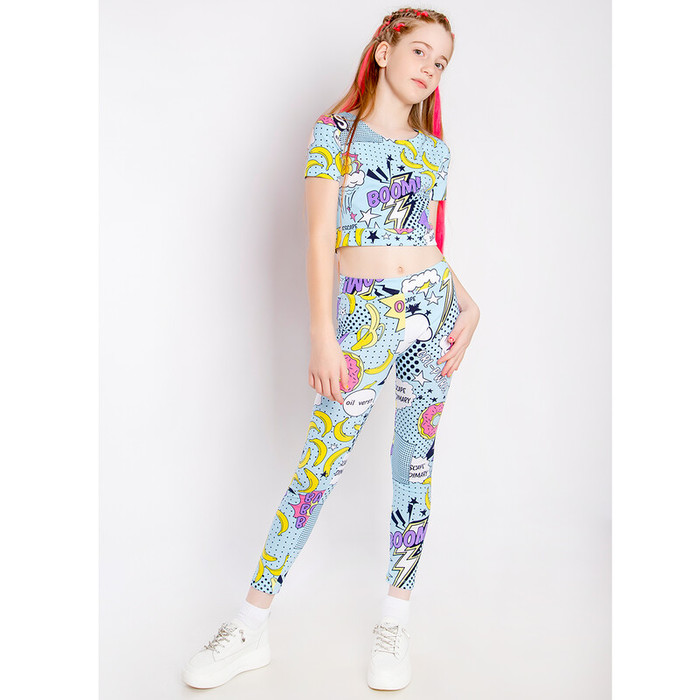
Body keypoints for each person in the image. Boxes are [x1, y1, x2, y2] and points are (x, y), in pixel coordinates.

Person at [182, 6, 480, 691]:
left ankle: (394, 621)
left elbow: (423, 242)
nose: (431, 69)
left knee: (414, 464)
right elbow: (321, 240)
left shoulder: (434, 150)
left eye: (442, 62)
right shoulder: (334, 135)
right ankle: (250, 624)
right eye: (421, 52)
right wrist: (323, 335)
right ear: (384, 51)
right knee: (317, 470)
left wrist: (470, 303)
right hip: (363, 321)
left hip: (433, 311)